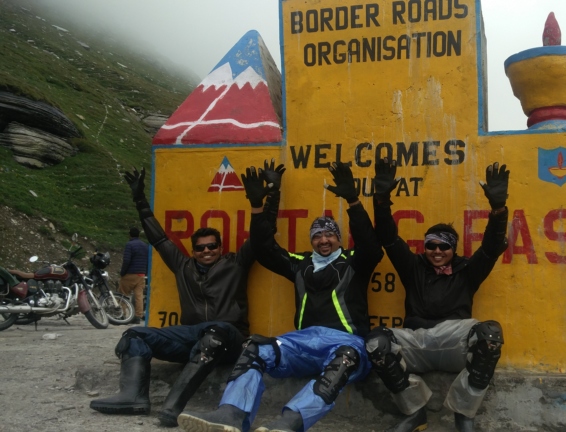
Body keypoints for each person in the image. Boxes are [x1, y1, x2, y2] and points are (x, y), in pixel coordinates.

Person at [177, 161, 383, 432]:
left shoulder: (354, 260)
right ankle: (231, 415)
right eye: (317, 235)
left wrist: (353, 201)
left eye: (329, 235)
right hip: (303, 341)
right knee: (255, 349)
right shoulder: (300, 263)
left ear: (339, 239)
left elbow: (371, 246)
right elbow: (264, 247)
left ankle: (289, 423)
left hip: (346, 342)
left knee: (344, 360)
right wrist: (259, 206)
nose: (323, 240)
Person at [90, 163, 270, 427]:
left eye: (212, 246)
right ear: (193, 250)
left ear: (220, 248)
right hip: (192, 336)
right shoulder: (182, 266)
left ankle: (172, 408)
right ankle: (133, 397)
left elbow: (259, 236)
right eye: (200, 248)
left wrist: (259, 204)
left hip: (229, 338)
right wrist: (140, 201)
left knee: (215, 333)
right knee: (134, 335)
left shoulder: (236, 263)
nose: (206, 251)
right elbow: (159, 239)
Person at [365, 159, 510, 432]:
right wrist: (381, 200)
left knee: (489, 334)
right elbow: (388, 238)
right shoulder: (413, 267)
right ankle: (415, 412)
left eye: (444, 246)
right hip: (416, 340)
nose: (437, 251)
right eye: (431, 245)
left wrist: (498, 209)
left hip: (454, 340)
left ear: (453, 249)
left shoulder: (468, 271)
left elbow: (491, 247)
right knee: (376, 342)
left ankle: (464, 414)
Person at [119, 226, 148, 323]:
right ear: (139, 235)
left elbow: (127, 260)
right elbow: (148, 260)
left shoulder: (129, 245)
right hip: (141, 274)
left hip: (130, 273)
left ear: (130, 235)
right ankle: (138, 316)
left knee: (122, 294)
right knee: (139, 296)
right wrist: (145, 272)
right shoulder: (145, 245)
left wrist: (123, 272)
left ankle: (122, 314)